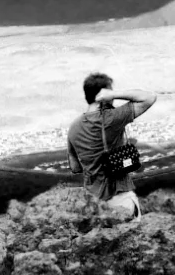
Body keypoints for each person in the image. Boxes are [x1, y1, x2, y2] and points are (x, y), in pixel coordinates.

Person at [66, 73, 158, 208]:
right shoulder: (112, 118)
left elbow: (75, 168)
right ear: (104, 94)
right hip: (120, 197)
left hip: (94, 203)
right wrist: (115, 94)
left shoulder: (73, 127)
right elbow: (149, 97)